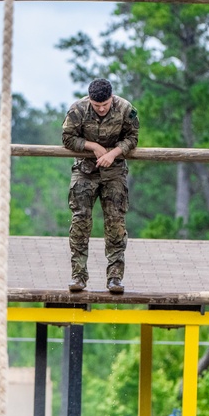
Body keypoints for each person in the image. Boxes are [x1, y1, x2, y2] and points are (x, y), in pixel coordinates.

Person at [61, 78, 139, 294]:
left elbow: (133, 138)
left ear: (111, 98)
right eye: (97, 106)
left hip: (114, 172)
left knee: (115, 225)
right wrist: (92, 146)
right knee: (80, 223)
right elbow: (67, 138)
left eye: (105, 104)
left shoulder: (126, 109)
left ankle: (115, 278)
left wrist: (113, 153)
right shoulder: (77, 110)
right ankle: (78, 276)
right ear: (90, 101)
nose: (102, 109)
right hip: (85, 171)